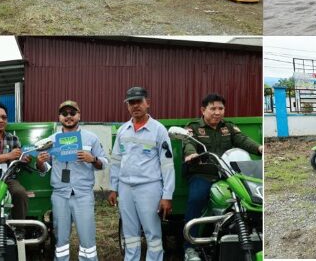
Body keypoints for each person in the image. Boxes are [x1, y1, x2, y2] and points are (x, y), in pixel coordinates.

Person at [182, 93, 262, 261]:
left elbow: (243, 140)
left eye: (221, 108)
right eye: (213, 108)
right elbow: (188, 143)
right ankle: (190, 248)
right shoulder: (194, 127)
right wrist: (191, 155)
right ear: (203, 110)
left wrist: (260, 148)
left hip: (227, 174)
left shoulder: (229, 127)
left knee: (249, 199)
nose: (217, 112)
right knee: (195, 199)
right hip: (204, 173)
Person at [109, 87, 174, 261]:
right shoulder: (123, 130)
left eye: (139, 101)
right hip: (125, 188)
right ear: (127, 106)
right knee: (129, 233)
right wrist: (113, 188)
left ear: (148, 103)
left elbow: (167, 164)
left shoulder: (159, 130)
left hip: (149, 187)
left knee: (152, 233)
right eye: (131, 102)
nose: (135, 106)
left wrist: (167, 195)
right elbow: (116, 161)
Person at [37, 100, 108, 261]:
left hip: (83, 194)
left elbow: (104, 163)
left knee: (87, 238)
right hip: (60, 194)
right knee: (60, 238)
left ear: (79, 115)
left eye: (72, 113)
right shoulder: (51, 140)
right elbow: (45, 169)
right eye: (64, 114)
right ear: (59, 117)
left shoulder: (91, 138)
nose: (68, 117)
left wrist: (93, 159)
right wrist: (40, 163)